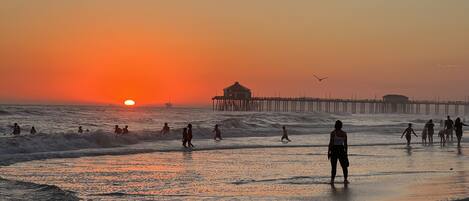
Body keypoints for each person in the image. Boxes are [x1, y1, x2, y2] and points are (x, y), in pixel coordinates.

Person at [328, 120, 349, 185]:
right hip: (341, 150)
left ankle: (332, 180)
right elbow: (345, 144)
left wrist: (328, 152)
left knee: (333, 166)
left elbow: (331, 143)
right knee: (344, 166)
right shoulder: (344, 133)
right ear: (341, 126)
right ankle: (345, 180)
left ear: (335, 125)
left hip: (334, 150)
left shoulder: (333, 133)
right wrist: (346, 153)